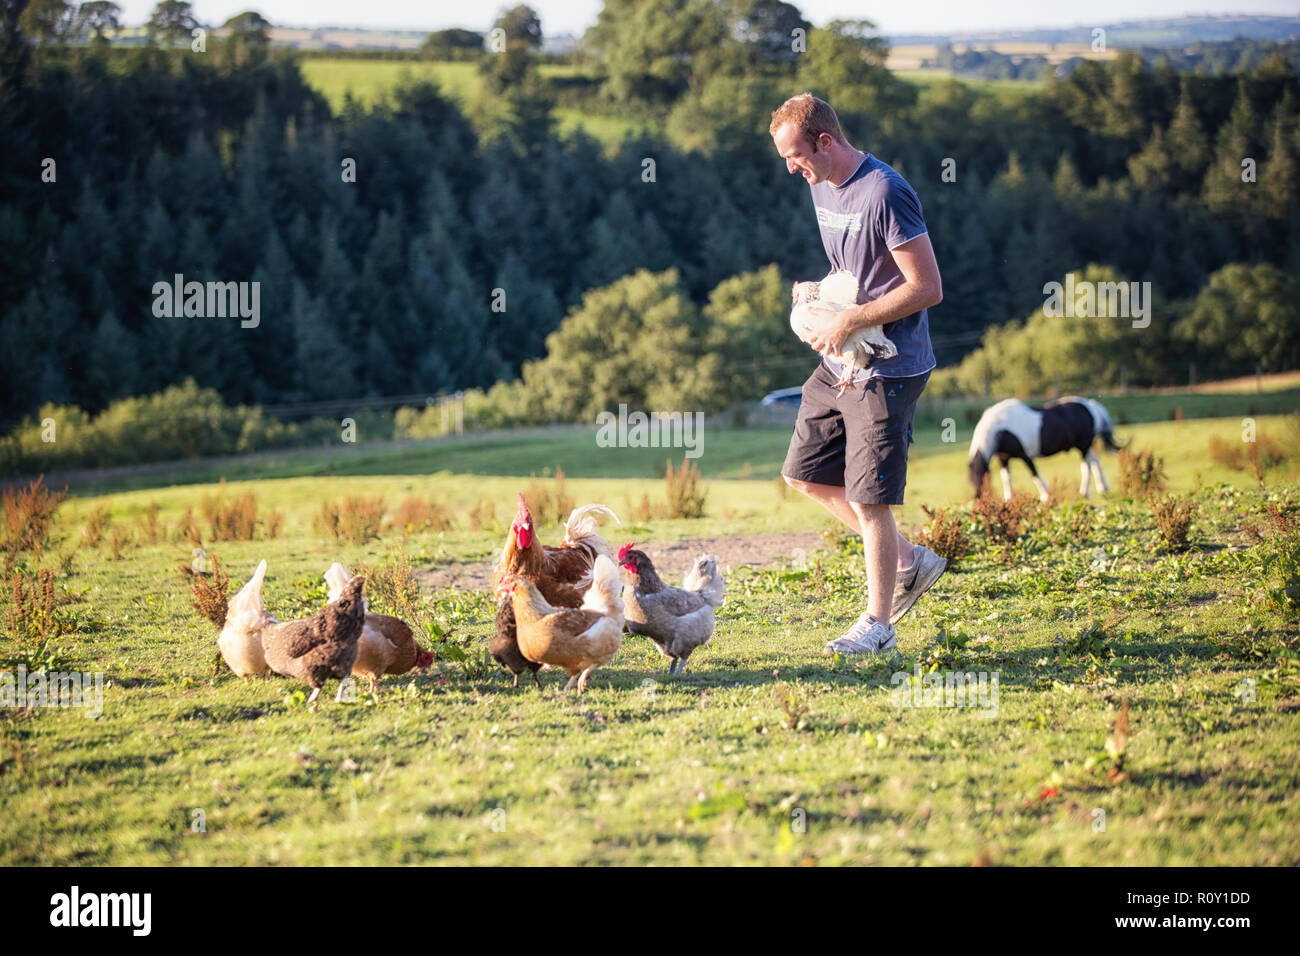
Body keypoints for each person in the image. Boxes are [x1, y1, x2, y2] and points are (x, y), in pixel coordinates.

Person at [770, 92, 947, 655]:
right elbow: (856, 269)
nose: (792, 169)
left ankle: (878, 626)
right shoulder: (821, 184)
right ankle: (912, 561)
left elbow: (926, 288)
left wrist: (850, 317)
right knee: (803, 473)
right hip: (842, 358)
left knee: (870, 498)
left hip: (889, 366)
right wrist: (819, 293)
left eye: (797, 156)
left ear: (825, 141)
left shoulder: (886, 192)